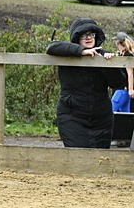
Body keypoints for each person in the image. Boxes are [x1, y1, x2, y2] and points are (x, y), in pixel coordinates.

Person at [46, 18, 126, 148]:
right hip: (72, 116)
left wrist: (108, 65)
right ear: (76, 37)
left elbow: (118, 83)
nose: (88, 38)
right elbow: (52, 47)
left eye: (91, 34)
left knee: (99, 160)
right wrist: (81, 51)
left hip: (101, 119)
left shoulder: (104, 55)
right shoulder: (67, 54)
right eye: (83, 35)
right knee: (77, 157)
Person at [109, 31, 133, 113]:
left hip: (122, 90)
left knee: (109, 110)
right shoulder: (122, 55)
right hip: (124, 90)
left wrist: (131, 89)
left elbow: (130, 73)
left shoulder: (128, 56)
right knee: (125, 114)